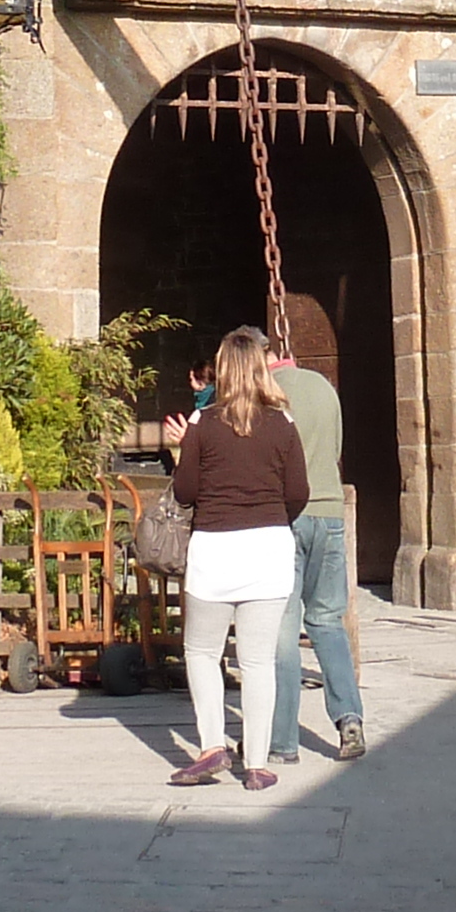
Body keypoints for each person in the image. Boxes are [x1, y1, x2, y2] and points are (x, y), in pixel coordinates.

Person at [168, 329, 309, 790]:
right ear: (261, 369)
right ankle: (258, 764)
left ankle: (212, 746)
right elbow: (298, 495)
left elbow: (185, 492)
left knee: (203, 652)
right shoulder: (283, 423)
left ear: (223, 370)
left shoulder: (202, 423)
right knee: (258, 662)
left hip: (215, 548)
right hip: (268, 549)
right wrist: (269, 519)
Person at [267, 333, 369, 761]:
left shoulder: (267, 395)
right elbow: (337, 448)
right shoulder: (325, 387)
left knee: (283, 633)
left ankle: (282, 742)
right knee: (328, 621)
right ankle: (349, 720)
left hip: (286, 515)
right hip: (329, 510)